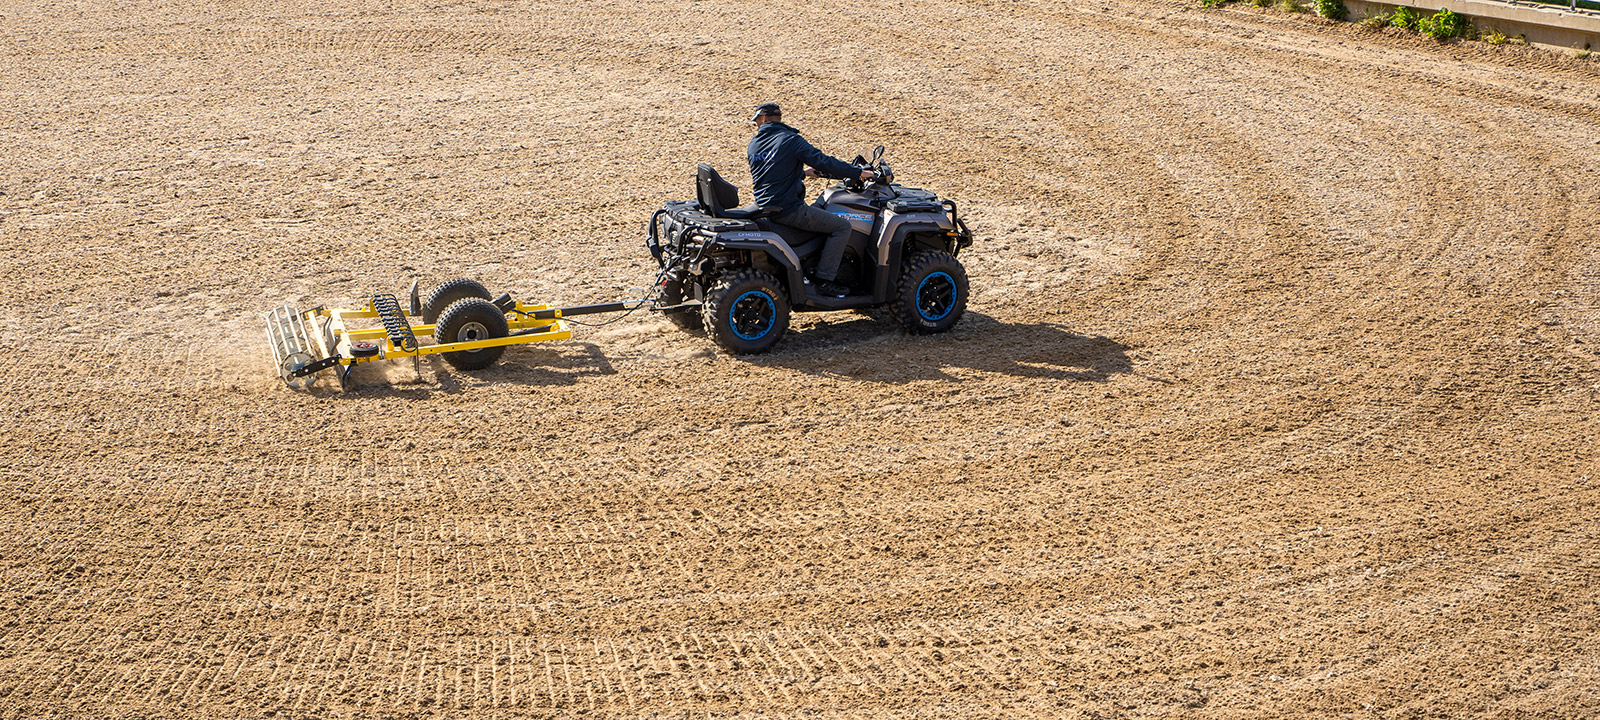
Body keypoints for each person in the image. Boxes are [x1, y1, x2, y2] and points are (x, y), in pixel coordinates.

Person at [747, 102, 875, 297]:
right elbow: (824, 161)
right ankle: (825, 280)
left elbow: (772, 173)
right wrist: (857, 173)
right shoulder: (791, 140)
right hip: (789, 210)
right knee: (842, 227)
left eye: (756, 121)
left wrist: (802, 173)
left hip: (765, 205)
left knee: (821, 211)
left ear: (763, 119)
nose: (756, 125)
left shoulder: (754, 145)